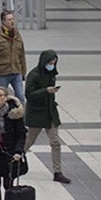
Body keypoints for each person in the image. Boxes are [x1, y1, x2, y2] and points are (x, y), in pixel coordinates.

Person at [24, 49, 71, 185]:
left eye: (54, 63)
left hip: (50, 112)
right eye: (50, 62)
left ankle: (57, 172)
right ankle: (13, 162)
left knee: (55, 142)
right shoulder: (34, 75)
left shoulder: (51, 73)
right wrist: (46, 91)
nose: (52, 65)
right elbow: (29, 94)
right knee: (29, 141)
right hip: (37, 112)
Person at [0, 10, 27, 104]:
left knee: (20, 96)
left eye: (13, 19)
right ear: (3, 21)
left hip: (16, 71)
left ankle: (21, 117)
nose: (12, 21)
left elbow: (21, 54)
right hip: (2, 72)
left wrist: (23, 71)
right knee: (1, 98)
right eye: (9, 19)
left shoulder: (17, 34)